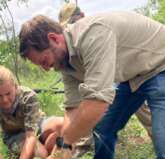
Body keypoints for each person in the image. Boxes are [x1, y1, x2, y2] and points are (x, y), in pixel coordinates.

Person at [19, 11, 165, 159]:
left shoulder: (93, 35)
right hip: (131, 74)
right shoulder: (64, 62)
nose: (44, 68)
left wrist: (65, 143)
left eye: (43, 60)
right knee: (103, 128)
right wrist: (63, 145)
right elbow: (73, 108)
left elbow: (97, 103)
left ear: (54, 39)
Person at [59, 2, 153, 138]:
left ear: (82, 16)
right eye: (67, 25)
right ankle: (86, 141)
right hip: (113, 77)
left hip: (131, 68)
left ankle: (160, 137)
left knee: (139, 104)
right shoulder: (72, 45)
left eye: (73, 21)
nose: (71, 26)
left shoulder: (94, 32)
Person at [0, 66, 68, 159]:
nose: (5, 100)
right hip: (15, 135)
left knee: (63, 125)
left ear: (15, 87)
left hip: (37, 124)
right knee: (39, 156)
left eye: (8, 93)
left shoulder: (28, 96)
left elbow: (30, 135)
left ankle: (50, 156)